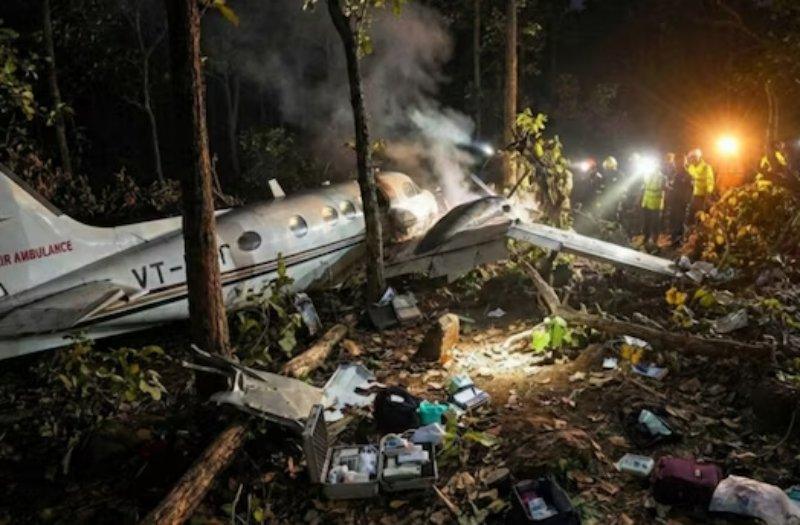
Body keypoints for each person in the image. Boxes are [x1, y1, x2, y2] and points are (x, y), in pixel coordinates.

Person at [683, 148, 715, 232]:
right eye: (691, 158)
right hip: (694, 194)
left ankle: (701, 233)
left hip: (703, 195)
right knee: (691, 215)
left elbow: (710, 181)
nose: (692, 159)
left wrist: (708, 195)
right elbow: (689, 174)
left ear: (699, 157)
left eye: (694, 157)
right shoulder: (692, 167)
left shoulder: (706, 167)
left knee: (701, 215)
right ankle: (691, 233)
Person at [664, 152, 691, 245]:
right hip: (674, 200)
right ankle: (673, 236)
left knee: (679, 221)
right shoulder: (675, 173)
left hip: (681, 202)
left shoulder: (687, 175)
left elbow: (689, 190)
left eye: (678, 162)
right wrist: (669, 188)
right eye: (675, 162)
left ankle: (678, 240)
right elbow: (674, 186)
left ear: (683, 162)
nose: (676, 164)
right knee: (673, 218)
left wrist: (686, 202)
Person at [640, 160, 665, 248]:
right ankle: (646, 238)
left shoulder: (661, 176)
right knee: (646, 221)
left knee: (655, 222)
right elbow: (645, 185)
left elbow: (661, 188)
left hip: (655, 203)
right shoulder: (646, 173)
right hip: (646, 201)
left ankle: (654, 240)